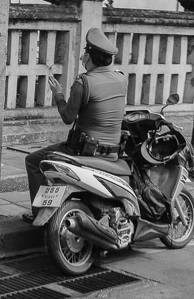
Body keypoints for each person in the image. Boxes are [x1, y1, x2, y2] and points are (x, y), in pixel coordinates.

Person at [22, 28, 127, 222]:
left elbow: (68, 117)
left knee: (33, 161)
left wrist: (58, 94)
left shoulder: (84, 82)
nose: (83, 56)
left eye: (85, 52)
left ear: (89, 56)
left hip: (83, 151)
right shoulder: (121, 78)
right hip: (112, 153)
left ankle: (38, 212)